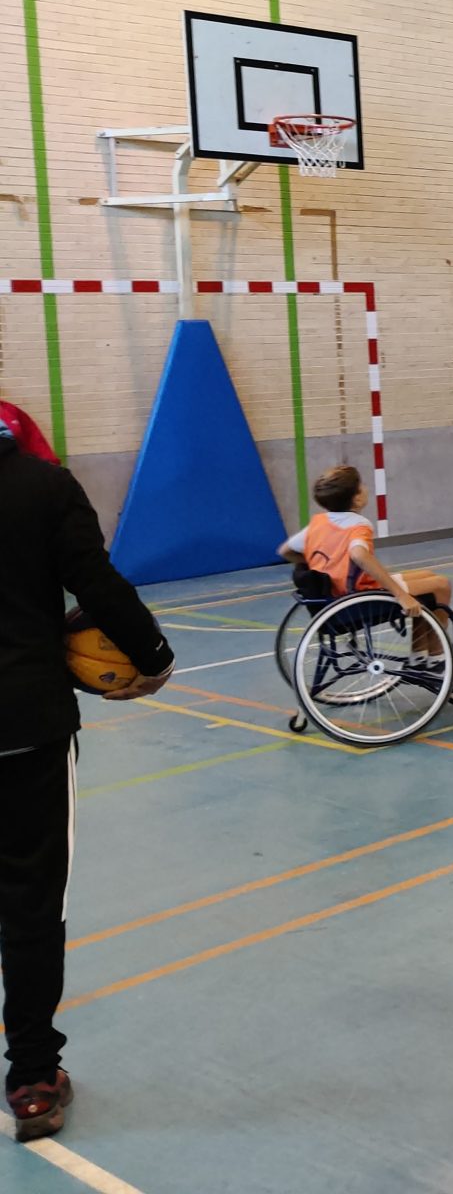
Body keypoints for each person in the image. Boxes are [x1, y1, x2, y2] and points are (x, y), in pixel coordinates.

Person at [1, 415, 175, 1142]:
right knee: (31, 905)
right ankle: (33, 1080)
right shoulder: (43, 487)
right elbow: (96, 584)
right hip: (25, 729)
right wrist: (153, 655)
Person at [280, 465, 453, 660]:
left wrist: (320, 563)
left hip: (335, 595)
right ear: (357, 499)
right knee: (441, 585)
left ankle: (419, 656)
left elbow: (285, 551)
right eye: (361, 485)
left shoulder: (318, 522)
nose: (365, 487)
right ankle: (437, 657)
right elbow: (359, 555)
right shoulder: (358, 525)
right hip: (357, 597)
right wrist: (401, 595)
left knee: (427, 576)